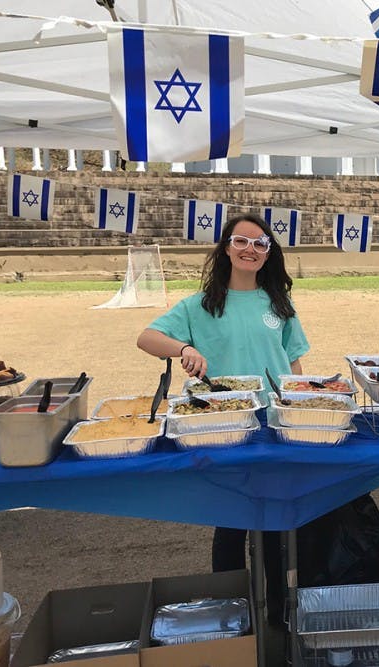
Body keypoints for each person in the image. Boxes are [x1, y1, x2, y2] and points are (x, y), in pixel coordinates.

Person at [137, 212, 309, 623]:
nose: (250, 249)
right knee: (230, 524)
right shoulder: (199, 306)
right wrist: (182, 350)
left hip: (271, 426)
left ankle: (277, 614)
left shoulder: (279, 303)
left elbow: (294, 362)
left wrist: (294, 405)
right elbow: (147, 338)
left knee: (272, 524)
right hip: (223, 425)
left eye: (260, 244)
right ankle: (233, 613)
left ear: (269, 254)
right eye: (241, 241)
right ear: (227, 248)